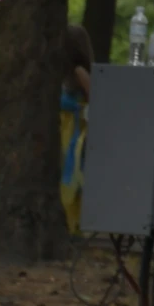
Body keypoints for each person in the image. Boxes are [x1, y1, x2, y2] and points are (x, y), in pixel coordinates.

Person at [60, 24, 92, 235]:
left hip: (73, 131)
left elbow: (95, 97)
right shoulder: (62, 73)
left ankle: (72, 226)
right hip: (63, 130)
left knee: (71, 179)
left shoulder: (79, 72)